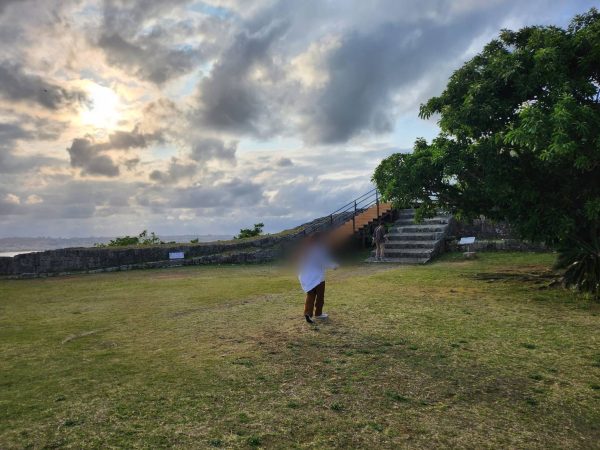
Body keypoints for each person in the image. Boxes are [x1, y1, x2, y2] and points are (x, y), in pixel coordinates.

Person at [297, 232, 338, 324]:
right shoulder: (319, 249)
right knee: (320, 296)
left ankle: (308, 313)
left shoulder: (306, 249)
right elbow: (323, 261)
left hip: (307, 276)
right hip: (318, 277)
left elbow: (301, 263)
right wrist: (333, 266)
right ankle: (318, 313)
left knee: (310, 295)